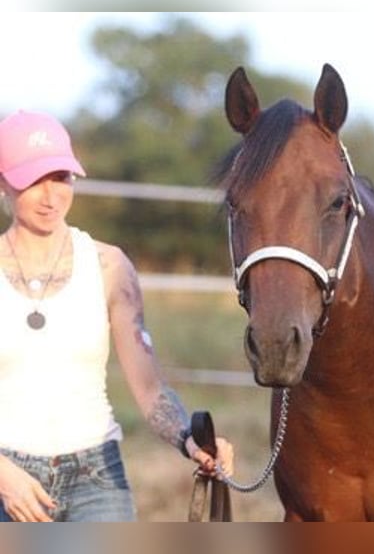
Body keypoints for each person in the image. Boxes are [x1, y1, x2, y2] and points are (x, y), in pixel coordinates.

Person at [0, 110, 234, 522]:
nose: (51, 196)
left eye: (61, 177)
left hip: (96, 477)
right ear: (3, 182)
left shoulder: (109, 266)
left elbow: (148, 389)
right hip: (9, 478)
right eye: (33, 181)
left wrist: (191, 441)